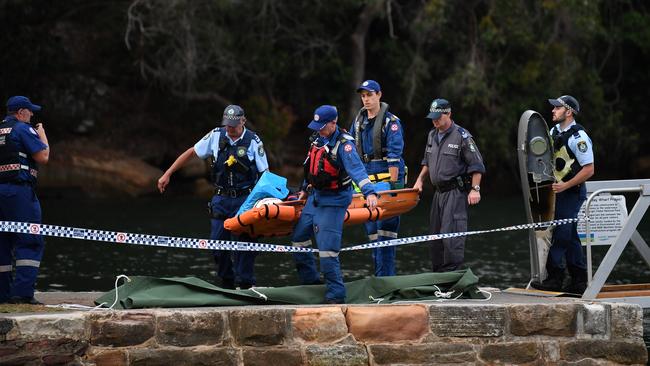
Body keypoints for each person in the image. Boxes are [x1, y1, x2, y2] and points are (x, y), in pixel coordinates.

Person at [157, 105, 268, 289]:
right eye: (227, 125)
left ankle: (246, 284)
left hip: (245, 198)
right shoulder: (216, 135)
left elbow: (265, 173)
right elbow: (192, 151)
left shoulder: (253, 141)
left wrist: (262, 201)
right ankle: (227, 282)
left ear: (243, 121)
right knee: (217, 244)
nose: (229, 129)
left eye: (233, 125)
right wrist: (167, 173)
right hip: (221, 198)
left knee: (246, 246)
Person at [291, 105, 378, 304]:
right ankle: (311, 285)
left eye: (322, 126)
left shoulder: (344, 145)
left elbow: (357, 170)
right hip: (316, 197)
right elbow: (311, 168)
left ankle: (336, 295)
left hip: (334, 200)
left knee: (327, 250)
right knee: (298, 239)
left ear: (333, 123)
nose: (319, 129)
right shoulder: (317, 139)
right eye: (317, 126)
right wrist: (304, 188)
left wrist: (369, 193)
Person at [413, 98, 485, 272]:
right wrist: (420, 179)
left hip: (455, 193)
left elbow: (477, 165)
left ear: (449, 114)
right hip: (438, 194)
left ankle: (453, 276)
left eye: (438, 116)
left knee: (451, 237)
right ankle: (438, 276)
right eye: (432, 117)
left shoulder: (462, 136)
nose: (435, 120)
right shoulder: (432, 135)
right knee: (435, 238)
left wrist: (475, 190)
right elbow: (427, 161)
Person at [531, 95, 594, 294]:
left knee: (562, 234)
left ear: (569, 112)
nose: (553, 111)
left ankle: (555, 278)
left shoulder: (579, 138)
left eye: (557, 108)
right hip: (558, 190)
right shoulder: (553, 131)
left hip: (571, 192)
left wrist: (565, 186)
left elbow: (589, 169)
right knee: (571, 236)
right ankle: (579, 281)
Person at [350, 80, 405, 277]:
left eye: (369, 95)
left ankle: (385, 279)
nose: (366, 99)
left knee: (386, 233)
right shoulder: (358, 123)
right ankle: (377, 277)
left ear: (379, 95)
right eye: (363, 96)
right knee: (372, 232)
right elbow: (351, 155)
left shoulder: (391, 123)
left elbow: (394, 158)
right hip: (366, 183)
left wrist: (392, 189)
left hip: (385, 182)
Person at [0, 96, 50, 304]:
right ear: (21, 112)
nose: (31, 116)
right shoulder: (23, 129)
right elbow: (43, 157)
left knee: (2, 241)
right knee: (30, 240)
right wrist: (42, 135)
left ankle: (2, 293)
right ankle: (21, 294)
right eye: (30, 112)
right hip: (19, 192)